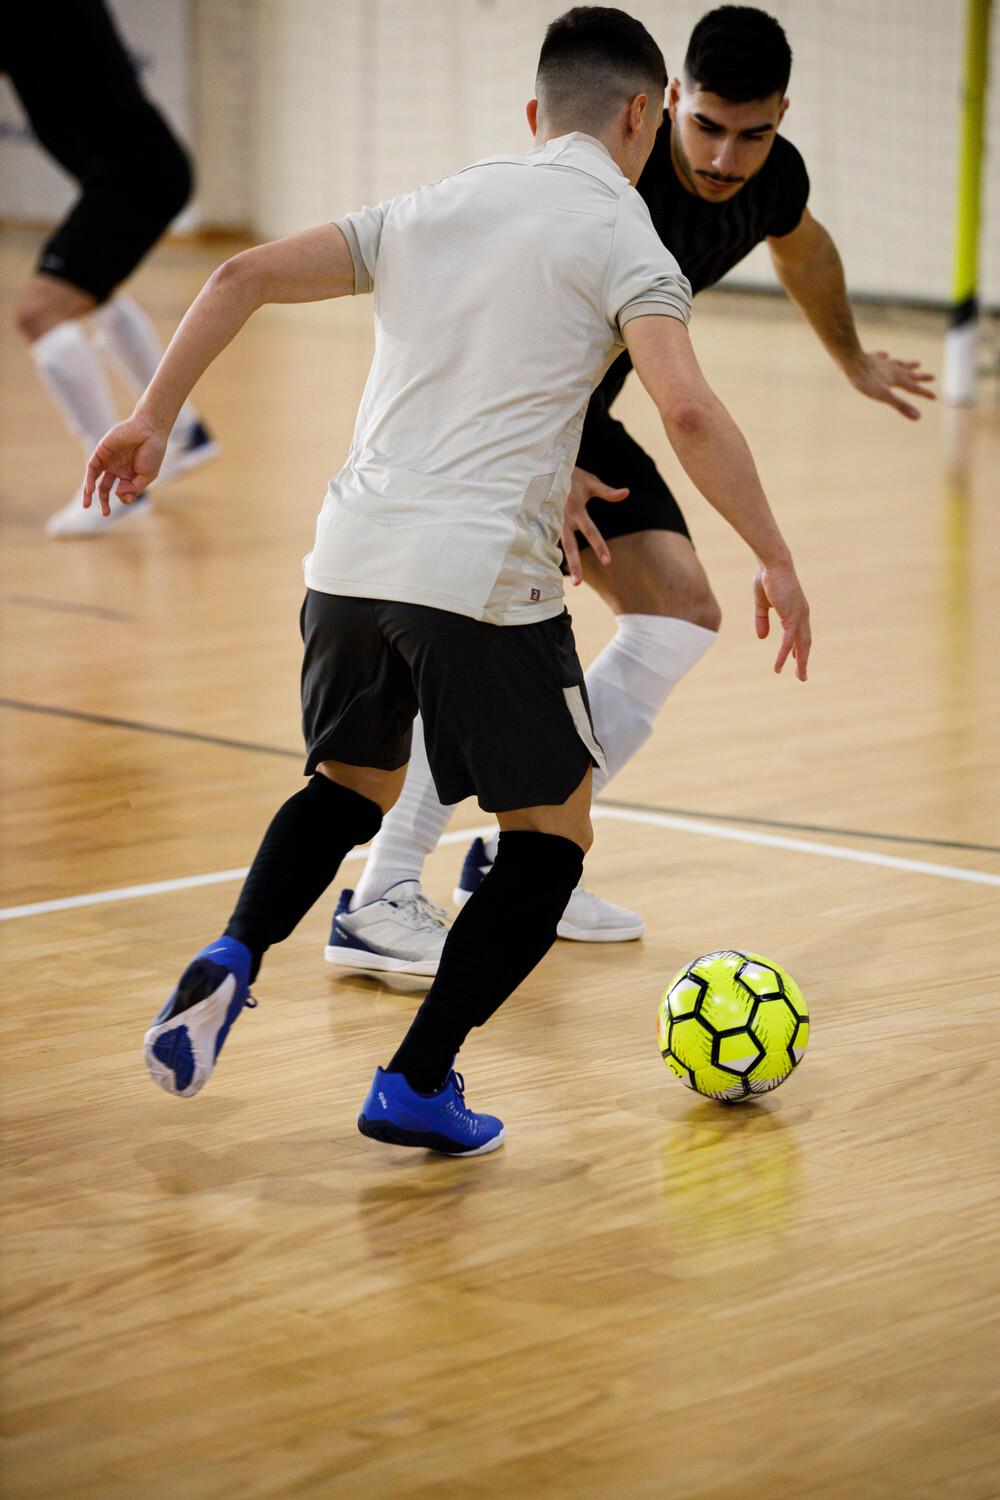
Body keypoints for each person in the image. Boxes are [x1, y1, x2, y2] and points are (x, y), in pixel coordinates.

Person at [84, 6, 810, 1157]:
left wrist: (148, 417)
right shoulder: (629, 237)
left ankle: (235, 948)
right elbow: (684, 410)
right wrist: (773, 551)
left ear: (534, 115)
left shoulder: (430, 203)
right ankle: (417, 1080)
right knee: (549, 843)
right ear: (644, 113)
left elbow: (238, 273)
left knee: (346, 787)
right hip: (478, 575)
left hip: (347, 556)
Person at [329, 3, 933, 978]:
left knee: (679, 615)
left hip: (586, 417)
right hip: (509, 420)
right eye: (707, 126)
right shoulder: (609, 176)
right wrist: (546, 454)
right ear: (667, 102)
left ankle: (521, 860)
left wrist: (853, 359)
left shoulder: (773, 176)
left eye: (753, 134)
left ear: (782, 117)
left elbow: (802, 247)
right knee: (491, 663)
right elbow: (501, 306)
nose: (727, 158)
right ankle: (380, 891)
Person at [3, 0, 217, 538]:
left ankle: (115, 482)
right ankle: (185, 431)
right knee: (93, 293)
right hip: (135, 171)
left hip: (133, 176)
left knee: (40, 312)